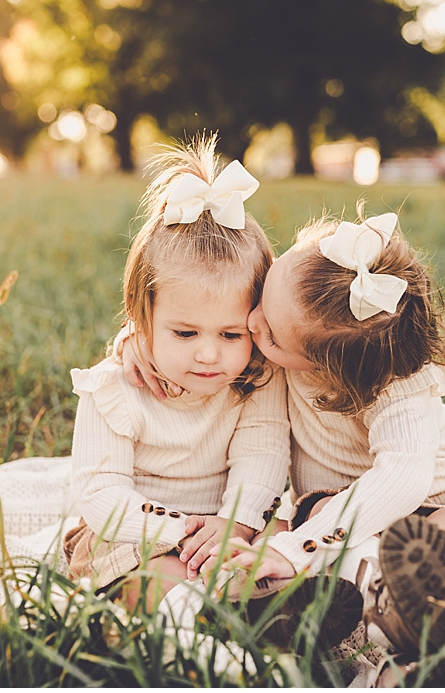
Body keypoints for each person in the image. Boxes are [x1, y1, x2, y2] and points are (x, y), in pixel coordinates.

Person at [124, 205, 445, 674]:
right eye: (262, 299)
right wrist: (138, 336)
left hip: (423, 513)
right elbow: (197, 315)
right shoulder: (284, 332)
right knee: (252, 545)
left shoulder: (396, 380)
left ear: (323, 367)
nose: (251, 324)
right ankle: (293, 617)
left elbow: (405, 478)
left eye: (268, 335)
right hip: (322, 518)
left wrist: (300, 549)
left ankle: (442, 620)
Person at [65, 135, 290, 612]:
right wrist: (181, 532)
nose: (210, 355)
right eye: (185, 334)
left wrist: (236, 523)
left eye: (232, 335)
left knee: (278, 547)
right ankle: (217, 614)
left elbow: (263, 454)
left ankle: (263, 606)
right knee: (160, 576)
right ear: (140, 318)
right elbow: (100, 494)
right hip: (135, 532)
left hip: (231, 527)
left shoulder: (255, 381)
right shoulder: (113, 391)